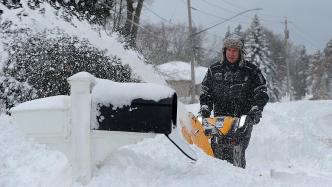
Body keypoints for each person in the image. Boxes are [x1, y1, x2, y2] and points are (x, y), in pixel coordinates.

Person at [199, 34, 269, 168]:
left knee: (236, 150)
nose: (231, 54)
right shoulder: (214, 70)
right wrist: (205, 108)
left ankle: (238, 178)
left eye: (235, 50)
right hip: (220, 120)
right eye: (229, 50)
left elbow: (261, 92)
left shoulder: (251, 70)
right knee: (217, 151)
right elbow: (206, 92)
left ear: (240, 52)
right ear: (224, 51)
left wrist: (256, 109)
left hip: (242, 119)